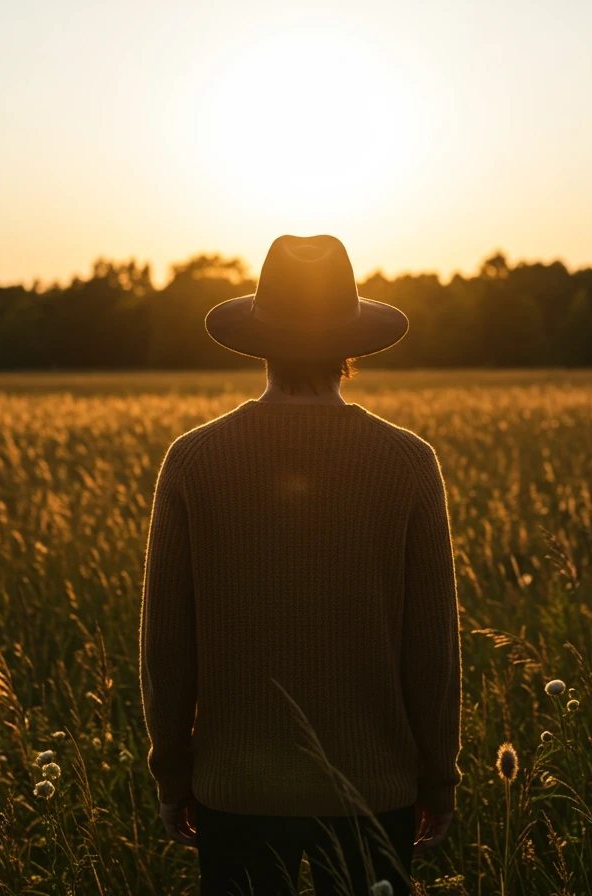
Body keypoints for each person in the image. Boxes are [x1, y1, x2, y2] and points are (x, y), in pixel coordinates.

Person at [139, 234, 461, 896]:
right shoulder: (408, 462)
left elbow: (166, 645)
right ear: (353, 344)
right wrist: (437, 780)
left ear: (260, 339)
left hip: (236, 793)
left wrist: (173, 776)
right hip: (375, 792)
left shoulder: (193, 460)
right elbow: (433, 648)